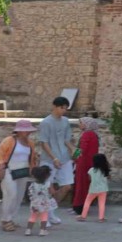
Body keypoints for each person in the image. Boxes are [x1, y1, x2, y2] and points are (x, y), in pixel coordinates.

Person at [0, 119, 38, 232]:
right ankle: (5, 220)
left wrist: (33, 168)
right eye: (25, 130)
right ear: (18, 131)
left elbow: (32, 158)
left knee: (19, 196)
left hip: (23, 172)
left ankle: (11, 218)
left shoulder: (30, 143)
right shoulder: (9, 141)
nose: (27, 133)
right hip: (9, 170)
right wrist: (1, 165)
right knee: (11, 195)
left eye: (28, 130)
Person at [38, 96, 75, 226]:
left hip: (64, 158)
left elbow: (66, 139)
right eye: (61, 108)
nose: (63, 110)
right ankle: (44, 217)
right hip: (49, 160)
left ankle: (51, 212)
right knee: (47, 188)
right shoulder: (46, 122)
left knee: (67, 186)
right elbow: (44, 142)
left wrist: (73, 149)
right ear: (54, 106)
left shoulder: (65, 121)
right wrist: (54, 158)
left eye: (65, 108)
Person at [72, 117, 100, 215]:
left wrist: (74, 157)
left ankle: (78, 206)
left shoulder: (87, 134)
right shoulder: (94, 135)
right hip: (90, 163)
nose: (79, 125)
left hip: (83, 163)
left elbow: (81, 149)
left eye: (81, 123)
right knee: (85, 185)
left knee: (80, 185)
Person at [77, 154, 110, 222]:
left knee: (87, 202)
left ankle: (83, 216)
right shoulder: (105, 170)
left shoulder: (91, 170)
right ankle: (101, 218)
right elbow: (108, 177)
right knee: (101, 204)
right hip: (103, 189)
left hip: (93, 189)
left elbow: (89, 179)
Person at [25, 165, 56, 237]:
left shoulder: (33, 184)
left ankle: (28, 230)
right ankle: (42, 230)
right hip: (44, 203)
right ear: (47, 176)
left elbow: (29, 192)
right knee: (44, 216)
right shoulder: (48, 183)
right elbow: (52, 192)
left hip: (34, 203)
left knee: (33, 216)